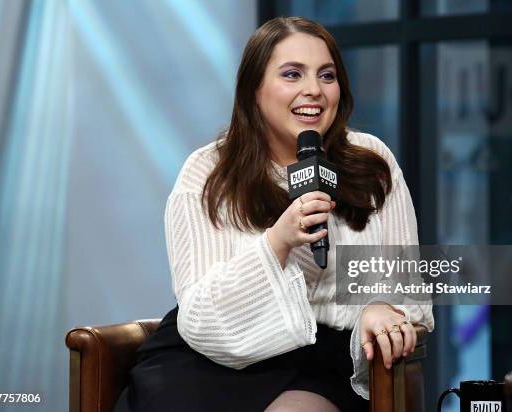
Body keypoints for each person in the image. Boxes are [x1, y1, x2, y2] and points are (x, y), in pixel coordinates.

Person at [115, 16, 434, 412]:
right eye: (292, 74)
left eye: (326, 75)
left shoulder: (372, 162)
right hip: (211, 359)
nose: (313, 90)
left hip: (330, 364)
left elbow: (409, 292)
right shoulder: (208, 171)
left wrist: (379, 308)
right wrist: (276, 242)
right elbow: (199, 317)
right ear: (254, 90)